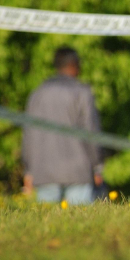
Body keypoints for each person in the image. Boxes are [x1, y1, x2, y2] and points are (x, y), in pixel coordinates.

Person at [22, 48, 103, 205]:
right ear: (74, 65)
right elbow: (91, 132)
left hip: (44, 171)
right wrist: (97, 166)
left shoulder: (37, 93)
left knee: (47, 226)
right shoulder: (82, 92)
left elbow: (28, 135)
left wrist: (28, 169)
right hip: (78, 171)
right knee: (81, 225)